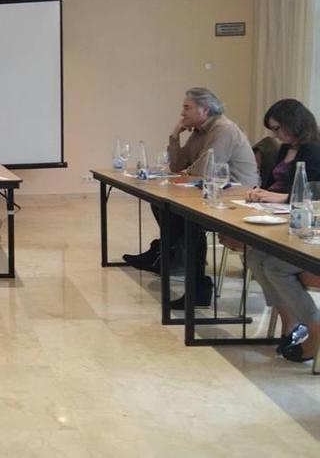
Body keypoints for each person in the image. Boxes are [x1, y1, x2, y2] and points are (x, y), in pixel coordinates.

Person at [122, 87, 259, 309]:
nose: (182, 113)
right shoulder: (198, 131)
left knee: (186, 220)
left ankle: (181, 270)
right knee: (162, 206)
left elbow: (207, 169)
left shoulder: (224, 129)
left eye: (187, 108)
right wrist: (175, 135)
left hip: (237, 198)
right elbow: (178, 165)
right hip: (211, 193)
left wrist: (186, 173)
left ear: (204, 110)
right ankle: (167, 256)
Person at [243, 99, 320, 363]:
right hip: (279, 220)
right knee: (254, 257)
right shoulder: (285, 148)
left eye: (278, 128)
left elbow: (312, 193)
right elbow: (271, 184)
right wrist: (260, 193)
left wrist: (281, 198)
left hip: (302, 225)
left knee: (276, 265)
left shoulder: (313, 150)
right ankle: (290, 323)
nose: (275, 135)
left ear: (293, 124)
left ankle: (315, 327)